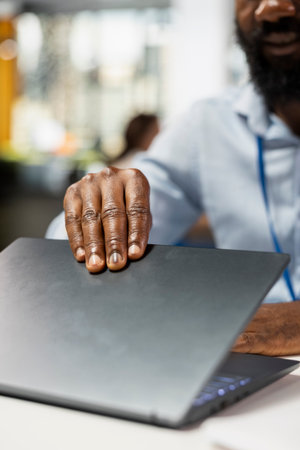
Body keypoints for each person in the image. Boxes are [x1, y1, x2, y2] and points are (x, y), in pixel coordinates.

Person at [47, 0, 300, 356]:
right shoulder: (210, 124)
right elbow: (61, 254)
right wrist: (101, 213)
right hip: (245, 365)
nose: (271, 9)